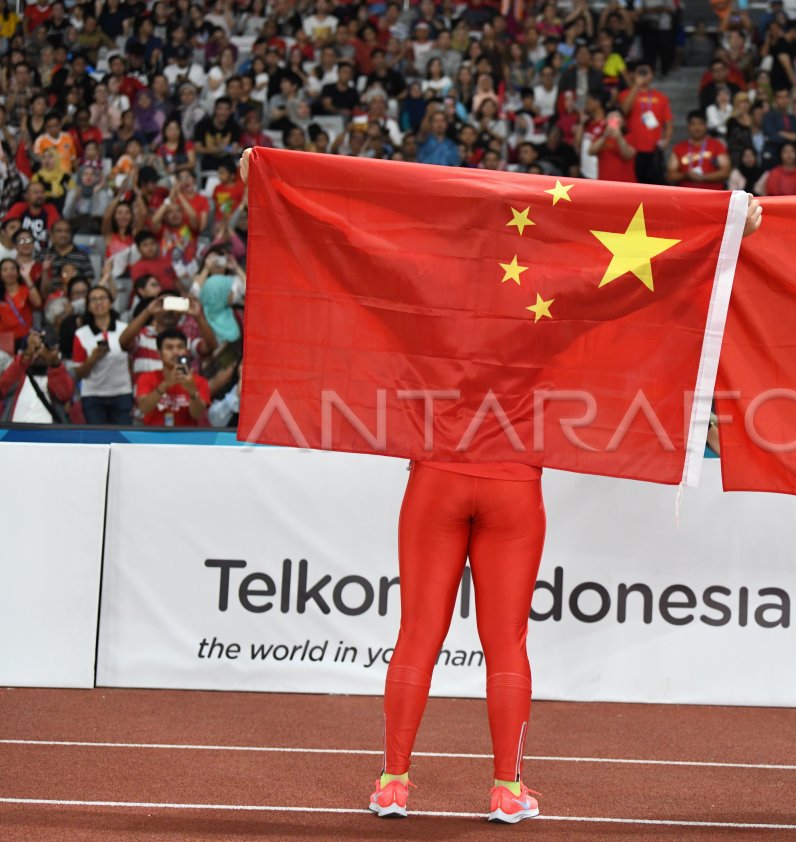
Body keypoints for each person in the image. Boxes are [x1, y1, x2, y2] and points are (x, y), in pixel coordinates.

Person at [238, 148, 763, 825]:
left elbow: (355, 249)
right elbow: (634, 283)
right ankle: (507, 788)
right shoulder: (552, 302)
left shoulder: (426, 289)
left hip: (437, 476)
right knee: (507, 641)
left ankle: (393, 781)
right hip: (514, 483)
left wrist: (277, 187)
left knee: (417, 633)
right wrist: (727, 225)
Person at [70, 284, 133, 424]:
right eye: (93, 299)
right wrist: (93, 358)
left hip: (122, 393)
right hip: (93, 395)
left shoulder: (124, 329)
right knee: (97, 440)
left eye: (103, 298)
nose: (99, 302)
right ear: (88, 306)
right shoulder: (81, 334)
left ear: (111, 303)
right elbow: (79, 373)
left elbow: (131, 361)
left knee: (122, 439)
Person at [134, 326, 211, 426]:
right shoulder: (146, 378)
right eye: (169, 348)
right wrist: (165, 384)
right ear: (159, 354)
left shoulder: (199, 381)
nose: (175, 352)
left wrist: (192, 391)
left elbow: (197, 415)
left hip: (186, 437)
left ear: (186, 352)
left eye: (180, 347)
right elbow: (144, 408)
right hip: (154, 437)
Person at [0, 328, 72, 422]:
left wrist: (54, 363)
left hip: (48, 432)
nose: (40, 353)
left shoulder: (58, 373)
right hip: (14, 431)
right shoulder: (18, 374)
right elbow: (2, 388)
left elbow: (64, 395)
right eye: (37, 349)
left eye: (44, 349)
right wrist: (27, 355)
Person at [619, 63, 672, 185]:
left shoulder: (661, 97)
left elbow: (668, 123)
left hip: (653, 148)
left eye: (646, 72)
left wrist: (666, 141)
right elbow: (625, 110)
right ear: (633, 75)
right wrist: (636, 85)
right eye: (640, 72)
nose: (643, 75)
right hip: (632, 148)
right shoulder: (625, 94)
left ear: (652, 75)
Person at [666, 110, 730, 189]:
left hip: (712, 194)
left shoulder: (717, 146)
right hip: (686, 194)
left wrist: (703, 177)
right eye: (693, 124)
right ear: (688, 126)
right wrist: (686, 175)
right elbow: (670, 175)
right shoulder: (678, 148)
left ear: (706, 125)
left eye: (701, 123)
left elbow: (725, 172)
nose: (697, 127)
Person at [0, 256, 40, 345]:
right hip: (4, 341)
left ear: (18, 273)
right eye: (5, 270)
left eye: (12, 269)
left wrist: (27, 277)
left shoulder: (25, 290)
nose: (9, 272)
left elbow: (37, 303)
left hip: (26, 339)